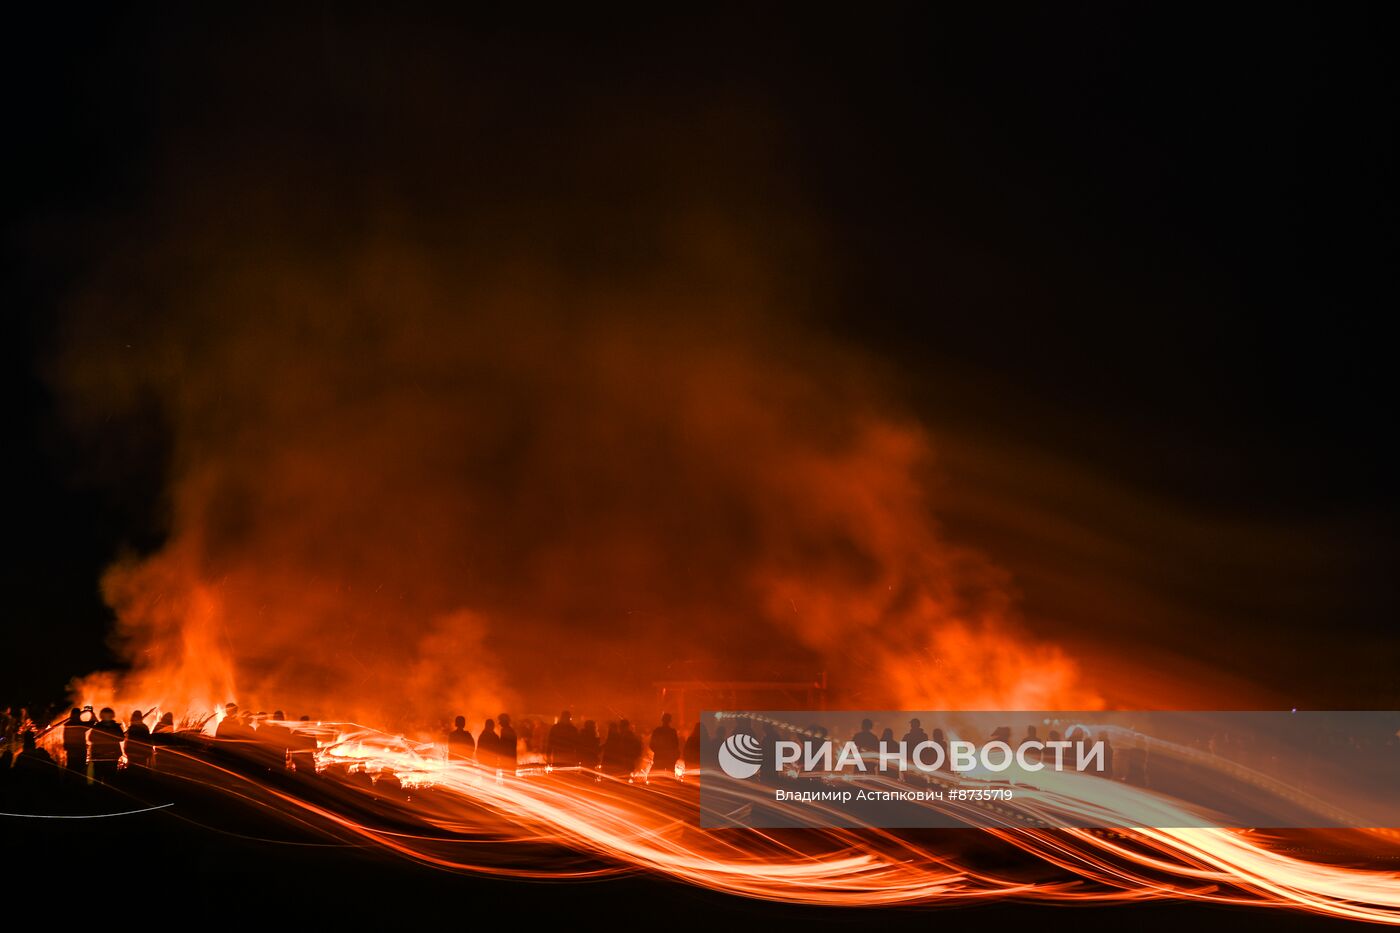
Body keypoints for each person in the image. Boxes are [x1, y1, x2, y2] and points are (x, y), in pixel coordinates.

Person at [88, 707, 125, 783]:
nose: (107, 717)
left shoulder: (115, 727)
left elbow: (121, 738)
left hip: (109, 756)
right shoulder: (99, 726)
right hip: (102, 756)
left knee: (108, 778)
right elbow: (91, 738)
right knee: (100, 778)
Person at [62, 707, 90, 777]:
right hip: (80, 750)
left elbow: (65, 738)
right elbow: (94, 722)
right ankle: (76, 783)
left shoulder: (68, 724)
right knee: (79, 768)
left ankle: (68, 783)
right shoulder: (81, 725)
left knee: (71, 768)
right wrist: (91, 713)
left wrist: (66, 747)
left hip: (72, 750)